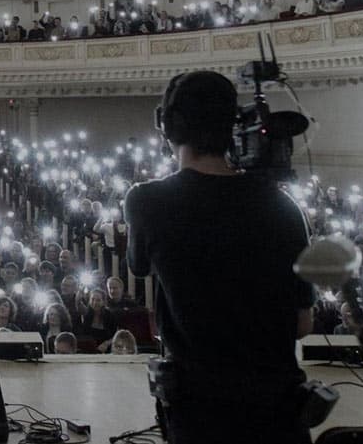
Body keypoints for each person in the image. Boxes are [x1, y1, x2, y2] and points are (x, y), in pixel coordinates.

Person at [124, 71, 315, 444]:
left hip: (200, 413)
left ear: (167, 127)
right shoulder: (283, 206)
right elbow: (302, 325)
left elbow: (138, 266)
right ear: (232, 125)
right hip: (278, 412)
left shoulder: (147, 202)